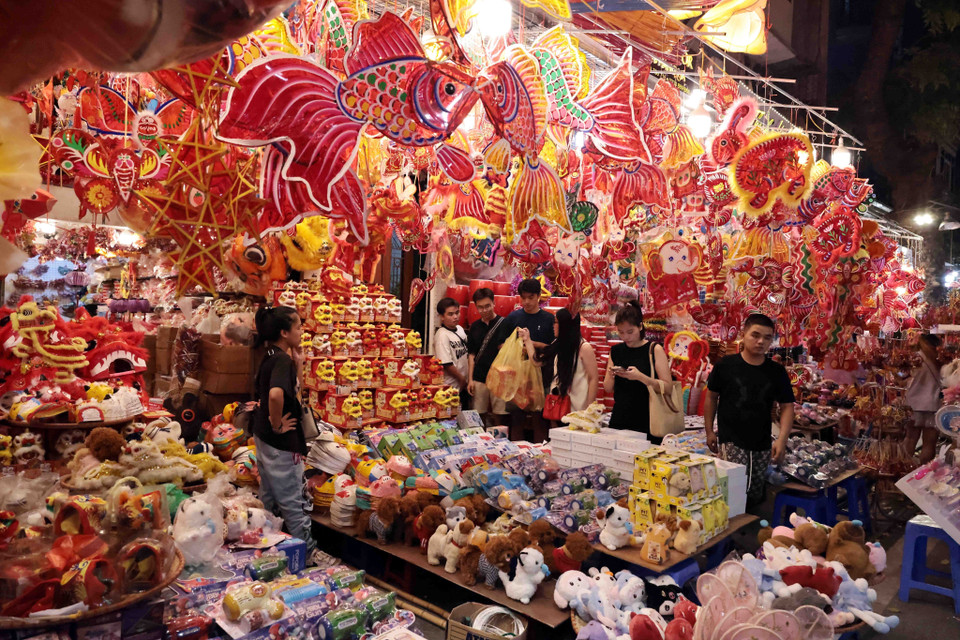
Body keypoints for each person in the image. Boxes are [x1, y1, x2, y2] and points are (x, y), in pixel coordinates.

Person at [253, 306, 336, 568]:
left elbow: (290, 394)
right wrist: (277, 424)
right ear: (283, 332)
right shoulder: (281, 361)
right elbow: (277, 395)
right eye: (298, 326)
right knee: (293, 502)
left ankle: (264, 547)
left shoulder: (269, 356)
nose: (302, 331)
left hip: (264, 438)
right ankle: (308, 554)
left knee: (268, 496)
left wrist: (298, 366)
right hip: (281, 443)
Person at [703, 313, 796, 509]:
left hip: (762, 440)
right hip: (730, 438)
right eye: (755, 335)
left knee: (755, 491)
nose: (761, 341)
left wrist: (782, 439)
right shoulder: (725, 366)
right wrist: (709, 430)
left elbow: (787, 406)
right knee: (733, 488)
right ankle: (730, 532)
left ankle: (752, 530)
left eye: (767, 337)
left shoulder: (776, 372)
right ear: (743, 334)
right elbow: (711, 397)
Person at [602, 300, 672, 441]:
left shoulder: (653, 349)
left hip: (648, 420)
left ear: (640, 326)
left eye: (630, 332)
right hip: (620, 419)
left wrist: (641, 377)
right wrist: (611, 374)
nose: (625, 337)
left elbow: (668, 387)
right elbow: (608, 388)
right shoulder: (616, 351)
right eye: (621, 332)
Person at [521, 308, 598, 416]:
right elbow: (537, 362)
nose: (553, 325)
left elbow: (593, 378)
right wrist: (527, 340)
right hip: (559, 407)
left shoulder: (584, 347)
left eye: (556, 322)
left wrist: (590, 409)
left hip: (579, 409)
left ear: (565, 324)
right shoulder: (558, 343)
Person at [467, 288, 507, 425]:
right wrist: (470, 379)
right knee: (478, 415)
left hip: (500, 378)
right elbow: (471, 354)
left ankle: (500, 443)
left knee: (500, 415)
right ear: (476, 307)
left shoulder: (504, 324)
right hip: (479, 377)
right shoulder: (475, 327)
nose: (484, 310)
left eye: (487, 306)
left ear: (494, 303)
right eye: (480, 307)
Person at [904, 334, 943, 464]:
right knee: (930, 443)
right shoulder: (942, 359)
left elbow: (902, 376)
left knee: (910, 439)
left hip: (914, 404)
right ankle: (924, 474)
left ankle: (904, 470)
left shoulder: (915, 357)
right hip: (934, 405)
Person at [434, 297, 470, 407]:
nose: (455, 317)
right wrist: (462, 379)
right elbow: (446, 363)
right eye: (450, 314)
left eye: (457, 312)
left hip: (464, 385)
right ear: (441, 316)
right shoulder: (441, 335)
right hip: (451, 386)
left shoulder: (460, 329)